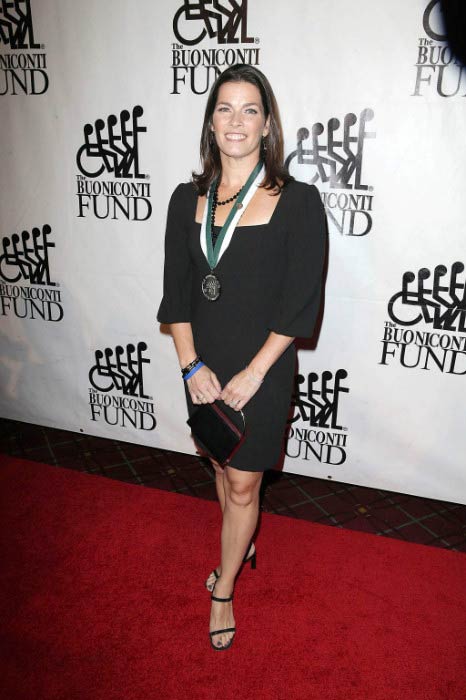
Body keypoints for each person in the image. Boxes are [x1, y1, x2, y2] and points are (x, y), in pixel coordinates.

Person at [156, 63, 326, 651]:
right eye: (224, 108)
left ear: (268, 124)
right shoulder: (186, 199)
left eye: (249, 109)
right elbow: (175, 295)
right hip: (201, 367)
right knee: (220, 468)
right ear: (210, 122)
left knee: (246, 486)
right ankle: (241, 537)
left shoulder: (298, 203)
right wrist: (190, 366)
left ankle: (224, 586)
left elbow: (300, 305)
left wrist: (254, 373)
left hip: (264, 369)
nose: (236, 120)